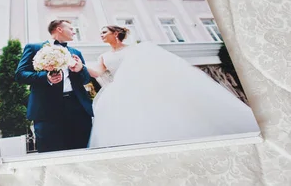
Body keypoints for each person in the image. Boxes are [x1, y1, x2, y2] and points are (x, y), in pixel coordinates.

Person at [86, 25, 259, 148]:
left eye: (104, 32)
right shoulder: (104, 56)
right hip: (120, 92)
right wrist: (79, 65)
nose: (101, 35)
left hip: (142, 87)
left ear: (115, 33)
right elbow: (97, 72)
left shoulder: (137, 49)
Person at [15, 19, 95, 152]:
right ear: (59, 29)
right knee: (50, 151)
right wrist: (45, 77)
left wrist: (81, 69)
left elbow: (85, 80)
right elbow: (20, 74)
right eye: (70, 28)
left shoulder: (76, 52)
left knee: (81, 151)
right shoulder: (34, 48)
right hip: (47, 110)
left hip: (77, 108)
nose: (74, 31)